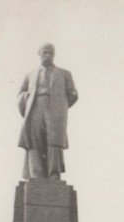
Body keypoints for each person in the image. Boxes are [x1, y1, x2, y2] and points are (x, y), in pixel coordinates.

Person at [18, 43, 78, 180]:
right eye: (45, 52)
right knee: (35, 141)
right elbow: (21, 93)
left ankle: (54, 174)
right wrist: (29, 101)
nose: (48, 55)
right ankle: (36, 175)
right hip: (35, 108)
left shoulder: (64, 74)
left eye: (51, 53)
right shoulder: (30, 75)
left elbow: (73, 94)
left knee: (54, 142)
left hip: (55, 111)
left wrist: (60, 105)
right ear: (39, 54)